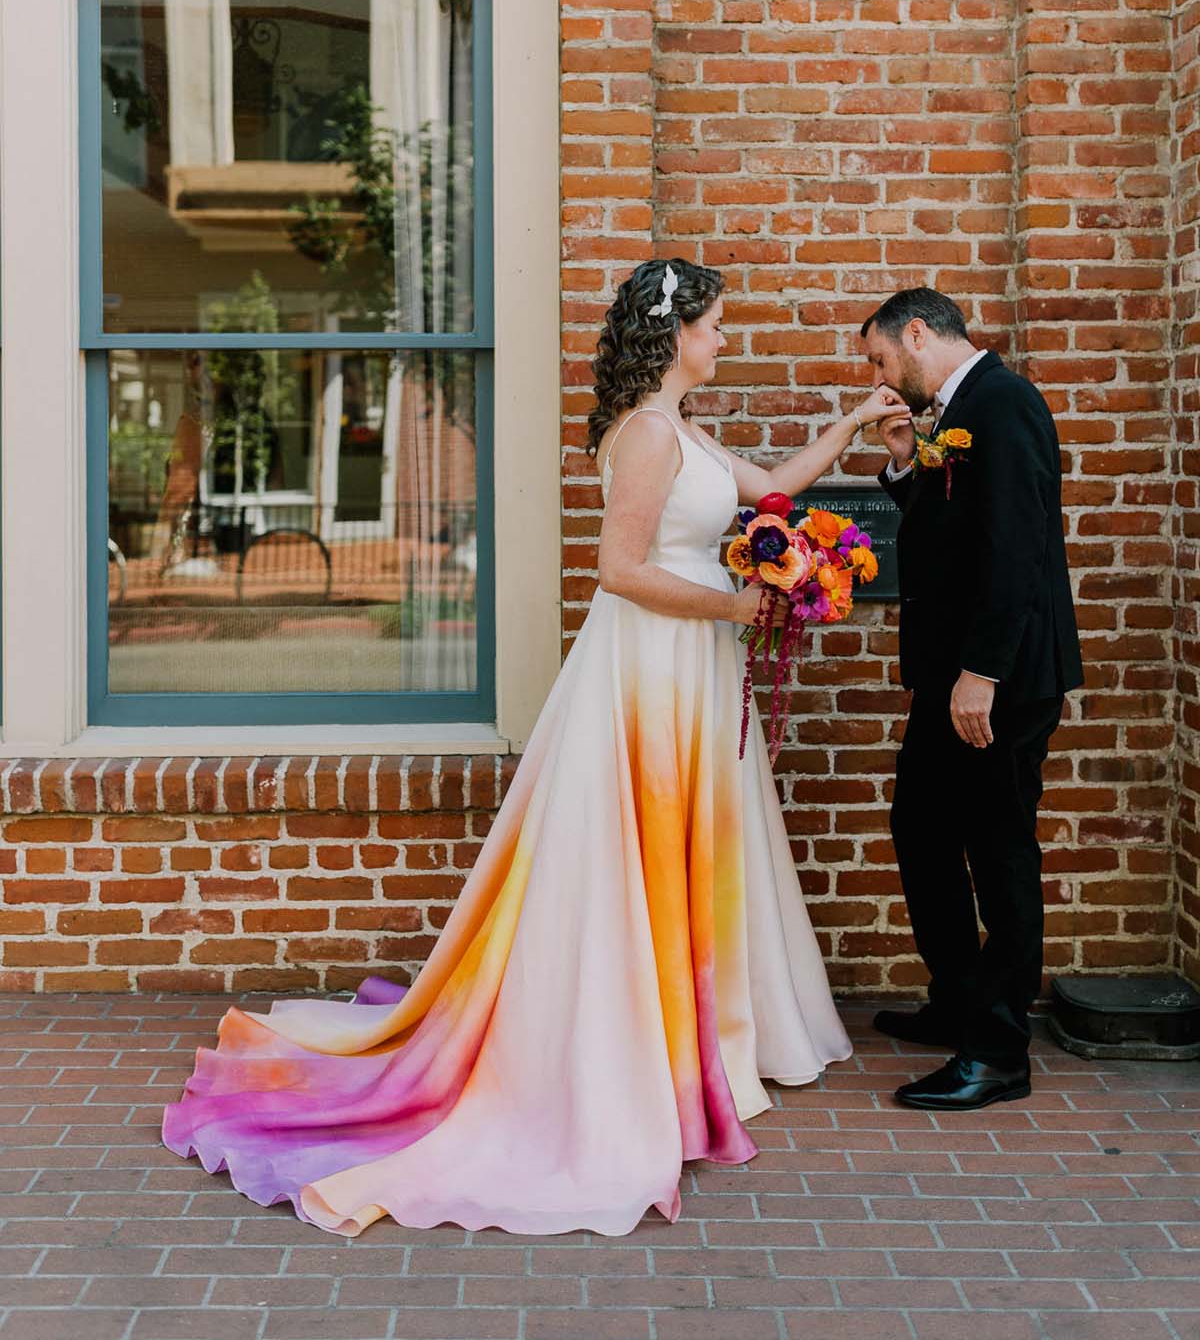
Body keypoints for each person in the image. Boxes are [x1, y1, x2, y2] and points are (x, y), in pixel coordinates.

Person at [162, 257, 903, 1236]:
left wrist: (852, 428)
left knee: (686, 849)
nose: (725, 340)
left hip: (694, 667)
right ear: (675, 332)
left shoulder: (680, 427)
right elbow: (620, 571)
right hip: (646, 666)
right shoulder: (643, 436)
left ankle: (691, 1033)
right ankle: (623, 1044)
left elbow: (768, 486)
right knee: (631, 852)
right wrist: (735, 603)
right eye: (717, 325)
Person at [860, 287, 1083, 1112]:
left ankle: (998, 1050)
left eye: (881, 358)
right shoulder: (950, 417)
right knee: (919, 827)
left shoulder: (1006, 402)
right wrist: (901, 459)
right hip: (951, 676)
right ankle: (955, 998)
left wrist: (983, 673)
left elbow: (1019, 548)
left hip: (1000, 679)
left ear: (917, 333)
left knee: (998, 851)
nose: (881, 375)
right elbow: (948, 528)